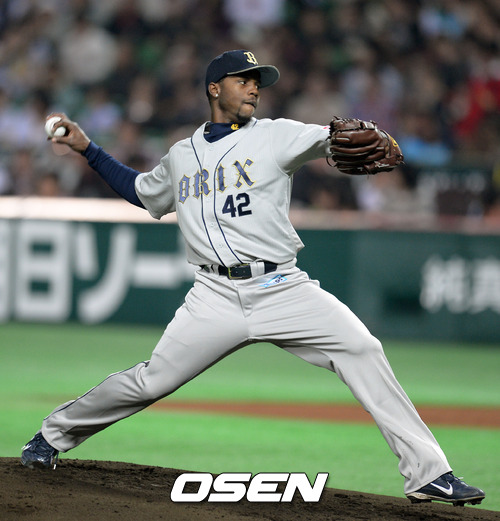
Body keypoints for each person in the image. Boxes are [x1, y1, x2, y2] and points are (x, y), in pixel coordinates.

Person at [21, 50, 485, 507]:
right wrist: (88, 149)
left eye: (257, 82)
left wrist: (352, 140)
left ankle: (430, 474)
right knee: (151, 381)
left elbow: (332, 139)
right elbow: (142, 192)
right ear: (214, 88)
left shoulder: (277, 135)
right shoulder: (182, 155)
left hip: (283, 287)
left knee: (362, 349)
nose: (253, 88)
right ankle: (51, 435)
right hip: (214, 295)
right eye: (243, 80)